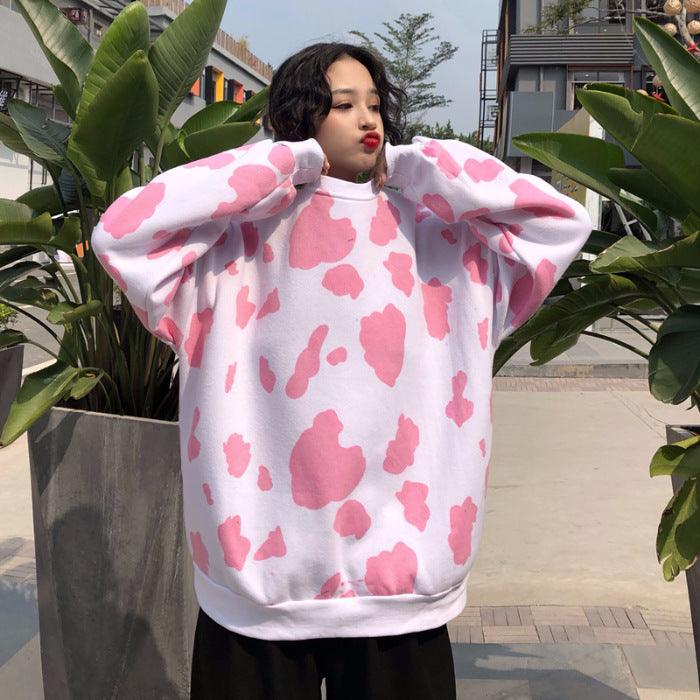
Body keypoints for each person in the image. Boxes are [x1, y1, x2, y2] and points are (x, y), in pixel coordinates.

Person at [90, 41, 593, 700]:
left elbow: (561, 222)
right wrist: (285, 160)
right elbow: (122, 232)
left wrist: (414, 165)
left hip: (402, 594)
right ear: (300, 115)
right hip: (258, 595)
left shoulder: (442, 239)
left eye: (375, 104)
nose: (367, 119)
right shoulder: (229, 245)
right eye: (342, 103)